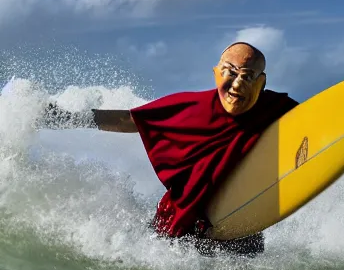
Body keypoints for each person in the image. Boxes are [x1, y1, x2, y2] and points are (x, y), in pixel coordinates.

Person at [38, 42, 299, 256]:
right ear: (217, 72)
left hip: (239, 227)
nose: (237, 84)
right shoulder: (192, 108)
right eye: (230, 72)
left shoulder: (277, 110)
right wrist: (68, 118)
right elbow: (131, 120)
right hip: (181, 231)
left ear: (261, 82)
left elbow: (317, 129)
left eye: (248, 76)